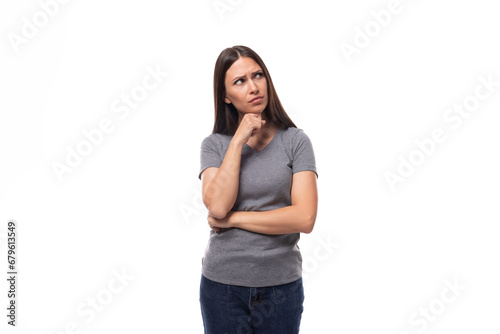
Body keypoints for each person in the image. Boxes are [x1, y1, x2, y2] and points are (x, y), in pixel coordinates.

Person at [198, 45, 318, 333]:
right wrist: (238, 140)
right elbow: (217, 206)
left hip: (281, 287)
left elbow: (304, 218)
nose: (253, 87)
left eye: (258, 76)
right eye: (240, 81)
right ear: (225, 95)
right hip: (222, 286)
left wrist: (234, 220)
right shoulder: (214, 145)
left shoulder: (296, 142)